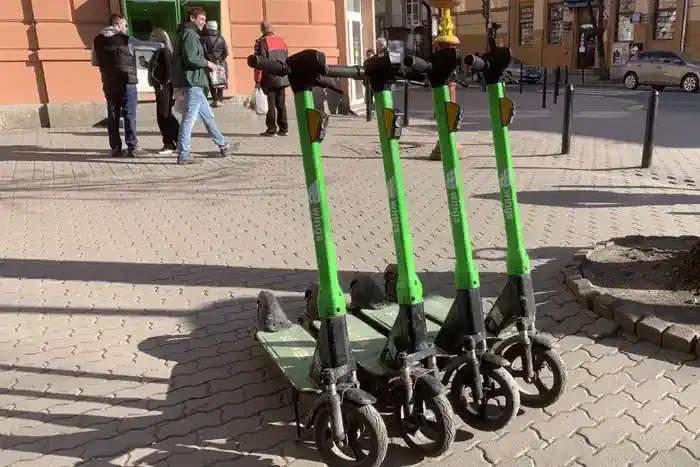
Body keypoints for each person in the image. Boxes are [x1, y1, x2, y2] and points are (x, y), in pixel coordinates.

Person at [92, 14, 162, 158]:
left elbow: (94, 62)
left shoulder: (97, 40)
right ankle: (132, 146)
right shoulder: (126, 39)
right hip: (127, 82)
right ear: (119, 25)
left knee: (113, 115)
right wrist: (162, 44)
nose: (126, 28)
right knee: (129, 114)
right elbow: (146, 46)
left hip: (109, 83)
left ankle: (115, 148)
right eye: (125, 25)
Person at [172, 7, 234, 165]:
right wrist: (209, 64)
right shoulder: (190, 34)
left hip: (194, 81)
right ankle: (184, 154)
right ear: (192, 18)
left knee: (208, 117)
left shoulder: (189, 33)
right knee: (188, 118)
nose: (203, 23)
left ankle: (223, 145)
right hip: (193, 82)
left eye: (205, 20)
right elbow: (191, 58)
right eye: (201, 19)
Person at [254, 21, 290, 137]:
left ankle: (271, 129)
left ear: (262, 29)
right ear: (272, 28)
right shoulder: (282, 41)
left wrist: (257, 80)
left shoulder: (260, 42)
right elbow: (287, 58)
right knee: (281, 103)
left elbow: (259, 63)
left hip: (268, 78)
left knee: (270, 103)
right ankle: (284, 129)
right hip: (282, 76)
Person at [148, 28, 179, 154]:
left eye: (152, 36)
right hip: (163, 86)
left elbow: (168, 70)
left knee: (163, 115)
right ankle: (179, 140)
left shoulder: (163, 51)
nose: (150, 39)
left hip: (164, 87)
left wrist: (162, 83)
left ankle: (169, 143)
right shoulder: (160, 51)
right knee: (167, 114)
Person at [200, 20, 229, 107]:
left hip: (210, 63)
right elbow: (226, 52)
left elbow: (205, 52)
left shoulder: (204, 39)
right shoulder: (221, 38)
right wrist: (219, 60)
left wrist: (211, 61)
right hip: (221, 64)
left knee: (211, 82)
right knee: (220, 81)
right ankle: (220, 99)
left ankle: (215, 100)